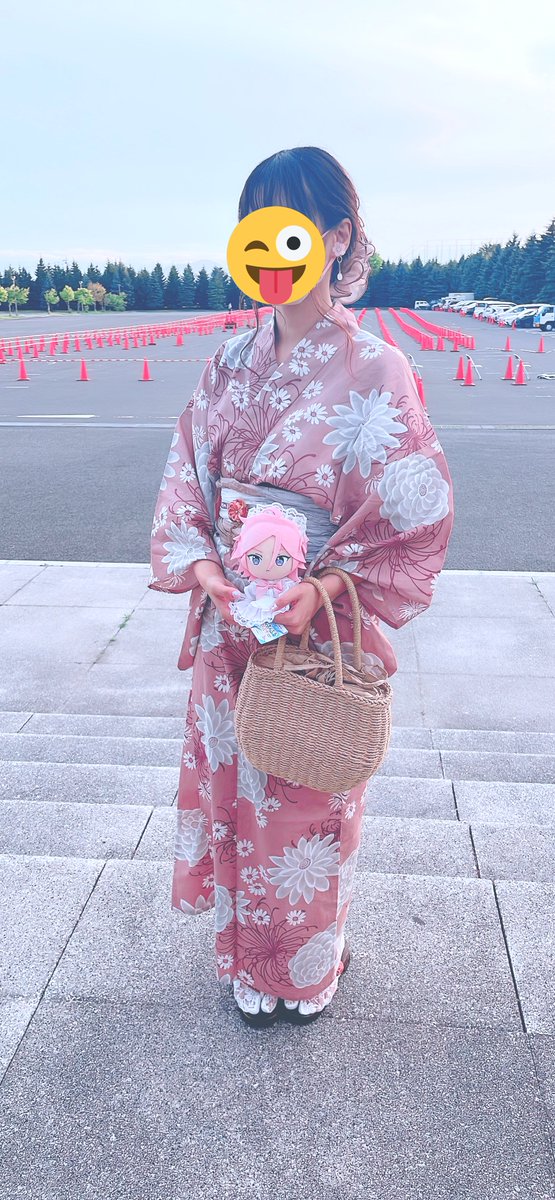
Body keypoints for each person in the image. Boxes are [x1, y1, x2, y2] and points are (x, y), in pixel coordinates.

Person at [149, 146, 455, 1028]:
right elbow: (187, 479)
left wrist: (319, 591)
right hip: (232, 621)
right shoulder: (226, 365)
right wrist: (206, 567)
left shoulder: (376, 370)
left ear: (336, 237)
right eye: (253, 229)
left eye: (286, 228)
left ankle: (306, 965)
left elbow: (408, 507)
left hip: (311, 625)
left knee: (305, 798)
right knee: (238, 797)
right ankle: (249, 960)